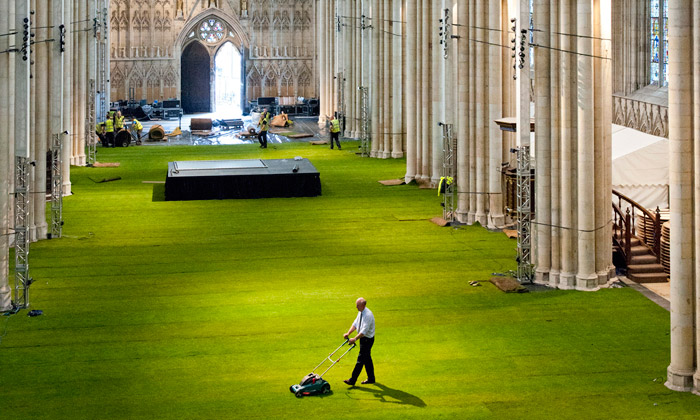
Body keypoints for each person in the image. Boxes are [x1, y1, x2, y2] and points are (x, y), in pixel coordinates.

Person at [343, 297, 375, 386]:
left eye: (358, 305)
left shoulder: (368, 315)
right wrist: (348, 333)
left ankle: (352, 380)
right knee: (367, 359)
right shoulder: (360, 312)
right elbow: (355, 324)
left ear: (363, 305)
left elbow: (364, 331)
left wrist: (355, 339)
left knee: (360, 360)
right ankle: (371, 378)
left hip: (367, 340)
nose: (356, 307)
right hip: (363, 339)